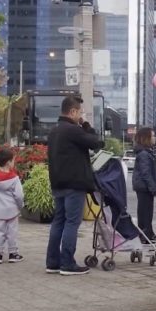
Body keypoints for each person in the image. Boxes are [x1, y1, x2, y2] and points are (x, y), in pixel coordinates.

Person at [46, 96, 103, 276]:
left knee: (59, 222)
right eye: (80, 113)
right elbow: (97, 142)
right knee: (72, 222)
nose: (81, 116)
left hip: (58, 183)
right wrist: (86, 125)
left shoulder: (54, 131)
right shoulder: (73, 130)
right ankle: (67, 263)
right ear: (73, 112)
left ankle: (52, 262)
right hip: (74, 185)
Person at [0, 148, 25, 264]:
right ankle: (13, 253)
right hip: (12, 210)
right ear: (8, 162)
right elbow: (19, 195)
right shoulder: (14, 178)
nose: (14, 162)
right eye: (13, 160)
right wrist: (20, 205)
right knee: (12, 232)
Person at [132, 127, 156, 244]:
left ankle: (149, 233)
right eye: (153, 136)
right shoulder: (144, 154)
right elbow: (146, 173)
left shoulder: (146, 152)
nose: (155, 138)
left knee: (148, 211)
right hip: (144, 187)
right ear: (146, 138)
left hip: (145, 187)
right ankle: (144, 234)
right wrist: (153, 188)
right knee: (145, 212)